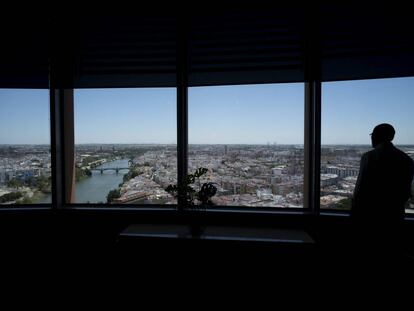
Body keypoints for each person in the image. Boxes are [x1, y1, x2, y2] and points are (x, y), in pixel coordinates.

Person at [351, 123, 414, 247]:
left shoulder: (369, 157)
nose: (371, 138)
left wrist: (354, 215)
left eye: (372, 135)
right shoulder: (406, 160)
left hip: (369, 218)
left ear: (376, 136)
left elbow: (360, 190)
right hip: (394, 216)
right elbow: (406, 192)